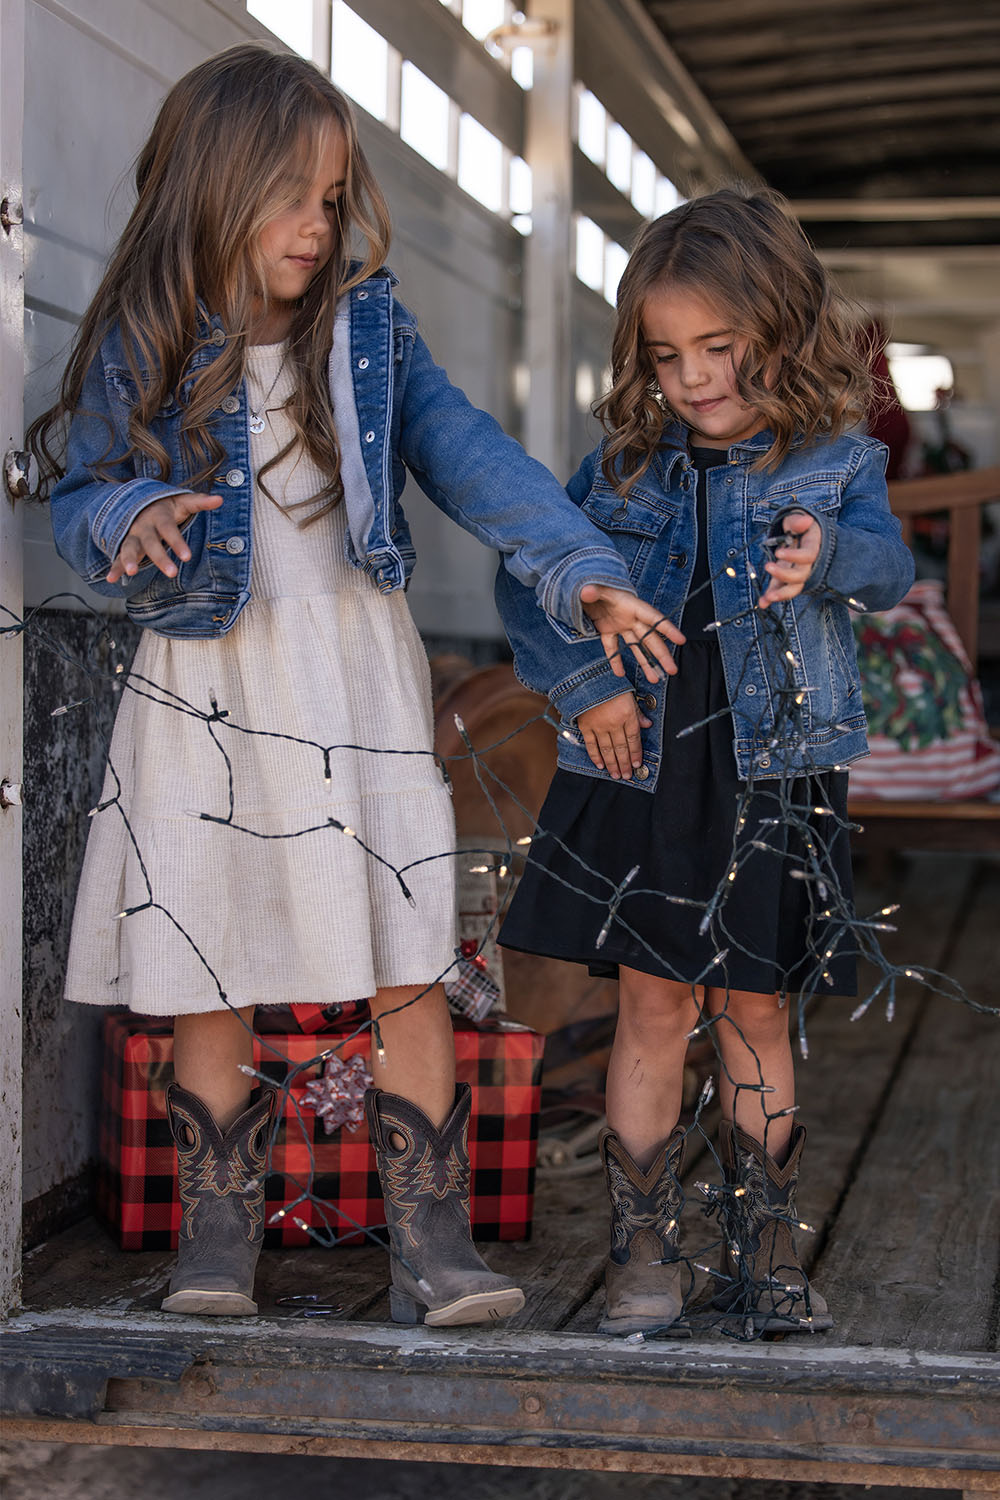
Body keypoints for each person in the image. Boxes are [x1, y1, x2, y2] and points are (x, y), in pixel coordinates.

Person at [31, 43, 678, 1326]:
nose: (317, 227)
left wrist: (578, 568)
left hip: (357, 681)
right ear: (212, 190)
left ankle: (433, 1245)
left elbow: (471, 457)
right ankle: (219, 1242)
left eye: (332, 199)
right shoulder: (143, 335)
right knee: (208, 950)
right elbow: (80, 494)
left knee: (402, 956)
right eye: (292, 197)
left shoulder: (369, 330)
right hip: (206, 679)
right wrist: (130, 513)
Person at [496, 188, 914, 1337]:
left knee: (757, 1013)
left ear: (779, 327)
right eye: (668, 354)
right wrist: (582, 686)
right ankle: (642, 1255)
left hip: (773, 769)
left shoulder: (833, 464)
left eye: (719, 349)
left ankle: (762, 1248)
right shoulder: (620, 472)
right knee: (650, 1005)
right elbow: (529, 588)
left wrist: (826, 553)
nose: (693, 378)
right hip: (640, 767)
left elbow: (889, 569)